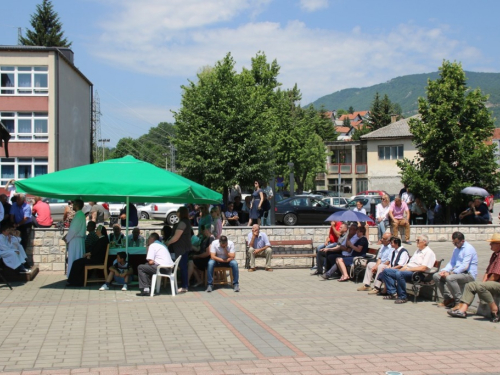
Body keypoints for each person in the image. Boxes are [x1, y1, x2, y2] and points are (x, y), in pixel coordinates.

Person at [447, 233, 500, 322]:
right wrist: (483, 282)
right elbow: (488, 271)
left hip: (497, 283)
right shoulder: (494, 255)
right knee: (470, 285)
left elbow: (496, 275)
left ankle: (494, 310)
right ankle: (462, 310)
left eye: (492, 243)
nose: (490, 245)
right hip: (493, 282)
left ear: (498, 244)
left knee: (480, 286)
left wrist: (484, 285)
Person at [382, 234, 436, 304]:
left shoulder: (428, 252)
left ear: (424, 242)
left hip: (418, 274)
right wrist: (404, 267)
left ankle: (403, 297)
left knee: (400, 274)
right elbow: (410, 262)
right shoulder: (418, 251)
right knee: (387, 271)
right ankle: (393, 293)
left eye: (418, 240)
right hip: (409, 271)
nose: (416, 242)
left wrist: (408, 269)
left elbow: (423, 268)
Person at [433, 231, 478, 308]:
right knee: (436, 276)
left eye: (457, 243)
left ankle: (458, 302)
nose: (455, 245)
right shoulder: (456, 249)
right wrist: (444, 270)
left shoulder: (468, 249)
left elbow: (465, 266)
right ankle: (448, 299)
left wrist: (452, 273)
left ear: (462, 241)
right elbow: (452, 263)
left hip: (468, 274)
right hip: (458, 273)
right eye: (454, 243)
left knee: (450, 278)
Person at [166, 206, 192, 293]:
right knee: (182, 266)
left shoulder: (183, 223)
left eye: (178, 211)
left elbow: (176, 237)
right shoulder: (185, 222)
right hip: (182, 248)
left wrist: (168, 242)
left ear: (181, 213)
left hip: (182, 249)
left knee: (183, 267)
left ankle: (185, 286)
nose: (176, 213)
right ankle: (184, 285)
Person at [64, 199, 86, 278]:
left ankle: (73, 276)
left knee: (74, 258)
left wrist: (67, 239)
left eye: (74, 204)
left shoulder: (79, 216)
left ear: (77, 206)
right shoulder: (80, 215)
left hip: (75, 240)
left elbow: (73, 230)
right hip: (78, 240)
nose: (72, 206)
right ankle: (75, 276)